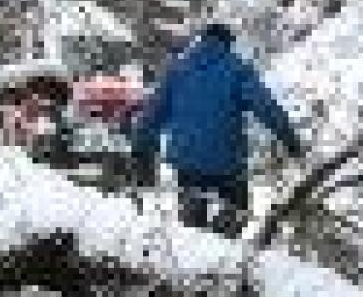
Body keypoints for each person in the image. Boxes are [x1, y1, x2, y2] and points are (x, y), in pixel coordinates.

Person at [124, 23, 303, 237]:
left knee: (192, 218)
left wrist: (140, 148)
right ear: (228, 43)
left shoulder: (178, 70)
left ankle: (194, 239)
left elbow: (152, 113)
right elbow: (266, 108)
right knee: (238, 211)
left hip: (186, 161)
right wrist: (290, 141)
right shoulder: (238, 69)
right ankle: (224, 241)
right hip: (226, 163)